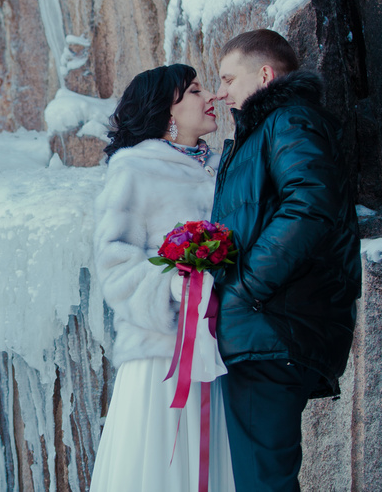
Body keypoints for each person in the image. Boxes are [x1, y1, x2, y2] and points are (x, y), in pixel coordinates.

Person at [210, 29, 362, 492]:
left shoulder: (289, 120)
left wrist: (246, 287)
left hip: (271, 324)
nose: (221, 91)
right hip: (268, 326)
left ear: (265, 74)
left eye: (228, 79)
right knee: (263, 478)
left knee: (262, 482)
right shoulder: (262, 132)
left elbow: (309, 206)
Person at [91, 64, 235, 492]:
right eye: (194, 91)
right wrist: (175, 287)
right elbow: (114, 266)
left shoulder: (222, 166)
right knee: (164, 467)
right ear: (167, 112)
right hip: (163, 357)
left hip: (220, 351)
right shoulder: (135, 169)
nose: (209, 96)